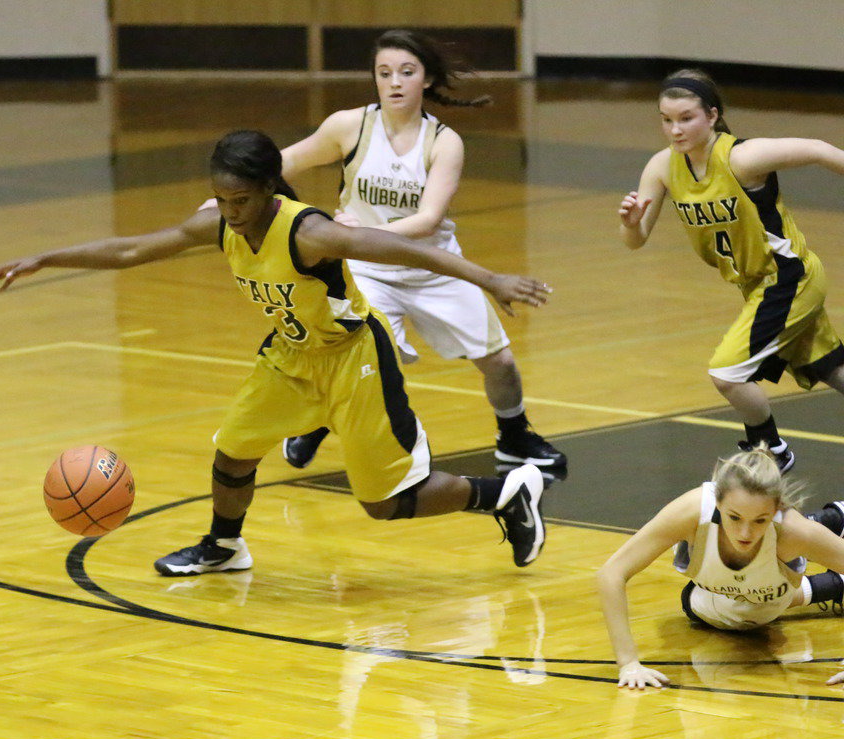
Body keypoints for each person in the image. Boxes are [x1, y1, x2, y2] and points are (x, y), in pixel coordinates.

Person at [0, 129, 554, 573]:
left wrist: (489, 279)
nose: (230, 211)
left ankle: (505, 494)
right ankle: (224, 546)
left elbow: (402, 250)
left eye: (241, 199)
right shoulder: (220, 224)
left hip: (354, 358)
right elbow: (131, 250)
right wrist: (44, 258)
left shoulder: (308, 233)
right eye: (221, 199)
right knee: (233, 452)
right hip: (291, 357)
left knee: (384, 503)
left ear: (269, 188)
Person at [277, 29, 565, 472]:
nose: (394, 82)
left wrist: (357, 233)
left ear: (426, 79)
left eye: (406, 72)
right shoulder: (349, 126)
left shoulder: (444, 142)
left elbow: (428, 220)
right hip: (368, 271)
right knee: (370, 363)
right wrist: (235, 188)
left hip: (433, 266)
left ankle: (514, 435)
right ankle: (316, 422)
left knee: (501, 362)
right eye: (384, 73)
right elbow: (285, 163)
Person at [618, 69, 844, 473]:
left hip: (788, 277)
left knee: (727, 373)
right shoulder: (663, 166)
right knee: (826, 365)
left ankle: (770, 450)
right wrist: (631, 223)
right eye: (666, 119)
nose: (675, 129)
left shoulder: (741, 157)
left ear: (712, 115)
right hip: (755, 285)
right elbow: (634, 241)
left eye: (686, 118)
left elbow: (817, 148)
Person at [596, 447, 844, 690]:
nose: (745, 533)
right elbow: (612, 573)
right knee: (706, 605)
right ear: (717, 502)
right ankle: (834, 527)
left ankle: (832, 537)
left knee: (731, 610)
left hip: (768, 597)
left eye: (760, 520)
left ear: (776, 510)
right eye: (734, 517)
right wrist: (628, 664)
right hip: (723, 581)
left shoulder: (793, 532)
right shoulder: (691, 512)